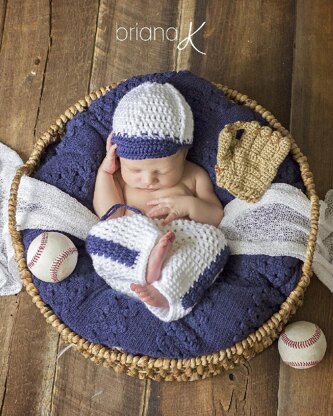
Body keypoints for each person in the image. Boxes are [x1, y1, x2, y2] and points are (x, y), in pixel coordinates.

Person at [90, 82, 227, 321]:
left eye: (161, 171)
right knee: (100, 236)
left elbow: (216, 216)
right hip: (133, 246)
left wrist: (190, 205)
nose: (148, 180)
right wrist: (105, 174)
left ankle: (166, 292)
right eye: (135, 170)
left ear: (183, 154)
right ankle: (148, 265)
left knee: (215, 242)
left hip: (180, 246)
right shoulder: (121, 182)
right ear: (119, 157)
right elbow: (109, 215)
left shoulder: (194, 176)